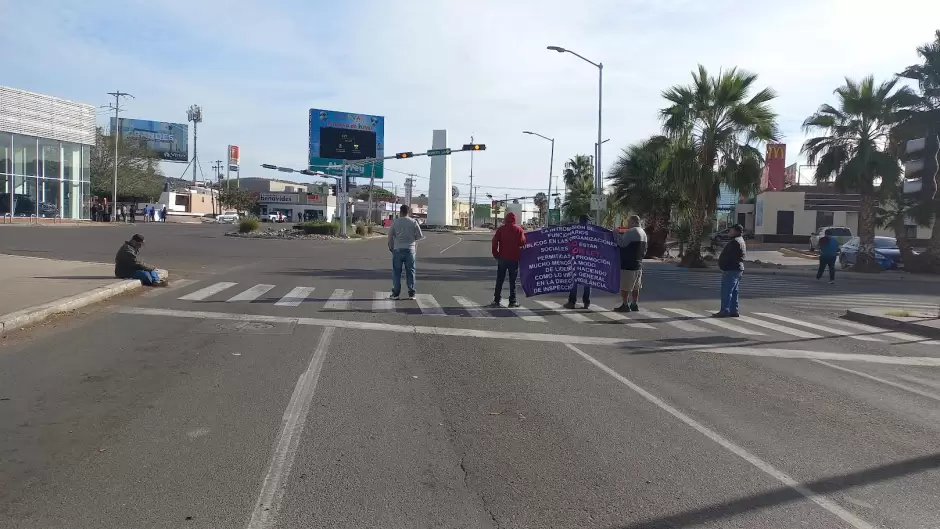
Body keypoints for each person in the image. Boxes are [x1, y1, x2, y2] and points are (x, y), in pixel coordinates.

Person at [387, 204, 425, 300]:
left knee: (396, 272)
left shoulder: (395, 222)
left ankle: (395, 294)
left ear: (400, 211)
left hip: (398, 249)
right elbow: (420, 236)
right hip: (410, 250)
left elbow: (390, 236)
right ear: (408, 212)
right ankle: (411, 293)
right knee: (410, 272)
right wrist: (412, 238)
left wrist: (391, 247)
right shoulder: (413, 222)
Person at [491, 211, 527, 308]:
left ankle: (496, 300)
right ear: (515, 220)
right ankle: (512, 301)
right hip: (514, 259)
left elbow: (494, 242)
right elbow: (522, 243)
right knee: (513, 281)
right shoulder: (519, 230)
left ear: (506, 219)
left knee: (500, 280)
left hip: (502, 258)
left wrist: (496, 254)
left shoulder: (501, 229)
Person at [615, 215, 648, 312]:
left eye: (628, 222)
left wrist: (616, 234)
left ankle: (625, 304)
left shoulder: (631, 231)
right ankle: (634, 304)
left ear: (633, 222)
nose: (627, 224)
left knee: (625, 287)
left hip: (628, 264)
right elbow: (645, 250)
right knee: (636, 286)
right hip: (638, 264)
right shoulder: (643, 233)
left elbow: (621, 243)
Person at [714, 223, 747, 317]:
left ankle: (725, 310)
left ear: (736, 231)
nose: (729, 231)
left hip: (731, 269)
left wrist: (724, 264)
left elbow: (730, 256)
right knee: (734, 291)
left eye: (731, 230)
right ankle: (733, 310)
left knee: (727, 291)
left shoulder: (735, 242)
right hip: (737, 269)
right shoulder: (740, 240)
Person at [564, 215, 593, 309]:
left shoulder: (575, 231)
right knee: (587, 281)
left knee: (574, 281)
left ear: (579, 220)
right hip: (588, 260)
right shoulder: (592, 232)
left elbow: (569, 243)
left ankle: (572, 302)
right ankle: (586, 302)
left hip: (576, 259)